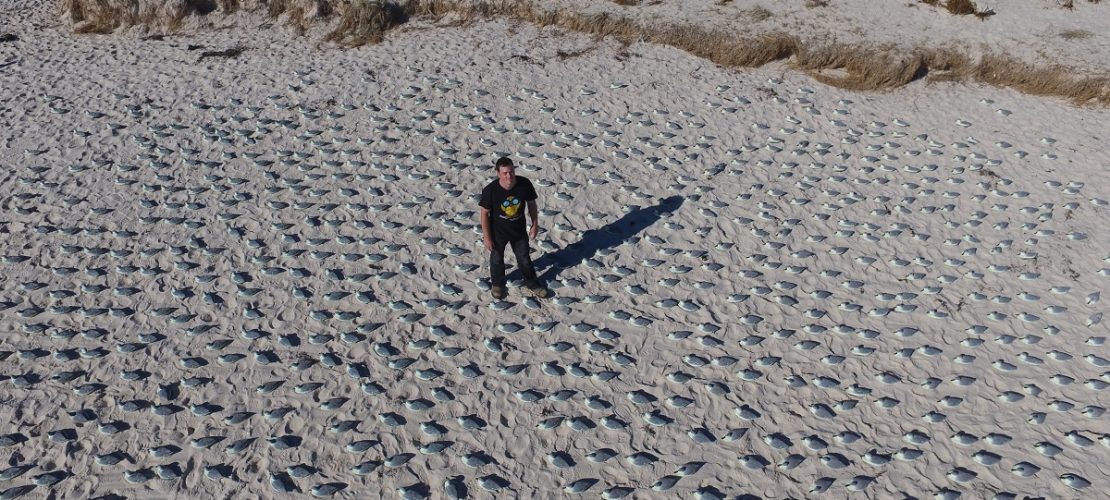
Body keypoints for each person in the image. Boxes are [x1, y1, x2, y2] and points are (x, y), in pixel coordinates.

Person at [479, 157, 550, 300]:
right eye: (505, 173)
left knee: (524, 259)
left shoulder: (524, 184)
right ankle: (498, 284)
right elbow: (484, 213)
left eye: (511, 171)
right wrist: (486, 237)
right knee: (497, 259)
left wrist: (535, 224)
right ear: (498, 173)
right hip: (498, 232)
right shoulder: (490, 190)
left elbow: (531, 204)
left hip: (519, 231)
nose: (509, 176)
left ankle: (532, 284)